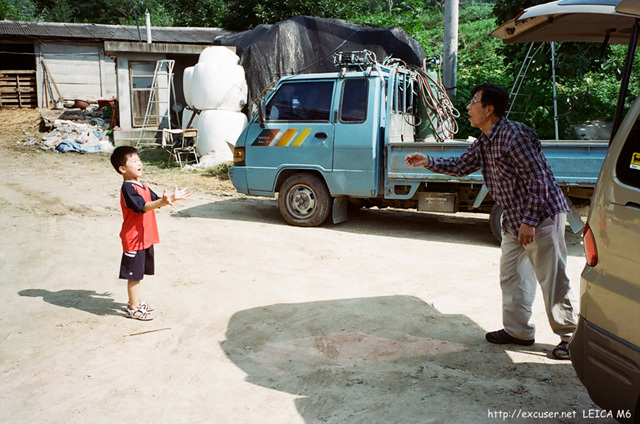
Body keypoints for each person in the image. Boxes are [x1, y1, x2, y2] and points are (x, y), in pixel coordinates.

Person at [405, 83, 578, 360]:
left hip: (541, 217)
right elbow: (462, 166)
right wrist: (427, 160)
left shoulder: (514, 136)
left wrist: (529, 221)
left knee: (552, 278)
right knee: (512, 276)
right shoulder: (486, 139)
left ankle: (571, 339)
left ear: (489, 109)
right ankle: (518, 331)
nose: (468, 107)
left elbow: (539, 180)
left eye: (474, 102)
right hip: (513, 217)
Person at [110, 146, 191, 321]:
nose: (139, 163)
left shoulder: (143, 185)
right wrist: (162, 201)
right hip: (134, 238)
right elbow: (143, 207)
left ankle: (136, 302)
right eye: (134, 161)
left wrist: (171, 198)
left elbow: (156, 201)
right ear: (122, 169)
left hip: (145, 238)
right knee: (134, 275)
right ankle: (133, 308)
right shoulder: (128, 187)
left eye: (139, 159)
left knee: (139, 273)